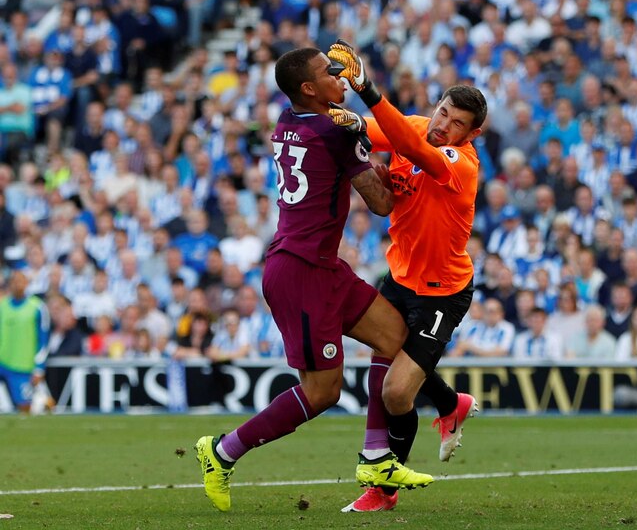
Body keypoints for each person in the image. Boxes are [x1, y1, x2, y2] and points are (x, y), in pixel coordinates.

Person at [193, 47, 432, 513]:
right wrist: (405, 179)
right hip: (301, 272)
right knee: (324, 392)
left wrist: (354, 130)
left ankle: (376, 457)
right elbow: (381, 205)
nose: (341, 76)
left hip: (320, 265)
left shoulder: (288, 120)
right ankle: (221, 452)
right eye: (331, 73)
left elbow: (330, 132)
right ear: (308, 88)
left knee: (393, 336)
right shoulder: (336, 132)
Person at [327, 40, 487, 511]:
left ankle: (384, 489)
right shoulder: (417, 127)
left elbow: (409, 144)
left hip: (443, 293)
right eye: (442, 113)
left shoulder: (461, 165)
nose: (444, 126)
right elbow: (366, 129)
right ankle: (449, 404)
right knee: (379, 355)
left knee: (396, 391)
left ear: (471, 134)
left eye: (457, 124)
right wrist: (322, 110)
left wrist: (366, 88)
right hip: (399, 278)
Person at [0, 270, 50, 413]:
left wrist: (39, 367)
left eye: (21, 281)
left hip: (22, 366)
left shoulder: (37, 307)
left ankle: (46, 404)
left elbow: (43, 340)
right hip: (2, 361)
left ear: (27, 283)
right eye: (14, 281)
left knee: (24, 408)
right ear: (9, 285)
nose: (17, 285)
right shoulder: (2, 306)